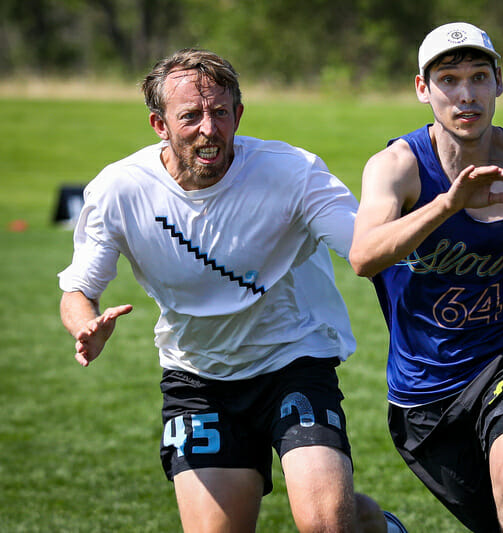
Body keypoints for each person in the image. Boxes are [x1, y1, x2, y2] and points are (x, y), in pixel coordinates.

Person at [58, 48, 407, 533]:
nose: (209, 128)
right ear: (159, 124)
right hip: (198, 380)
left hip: (294, 360)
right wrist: (84, 325)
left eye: (220, 112)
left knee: (327, 526)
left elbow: (367, 248)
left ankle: (377, 526)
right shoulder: (120, 189)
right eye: (191, 116)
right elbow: (79, 287)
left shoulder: (293, 172)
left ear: (238, 114)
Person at [349, 22, 503, 533]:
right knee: (496, 521)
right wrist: (448, 204)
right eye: (449, 80)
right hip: (425, 390)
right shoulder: (396, 167)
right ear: (423, 89)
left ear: (498, 83)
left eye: (480, 77)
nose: (467, 95)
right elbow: (364, 256)